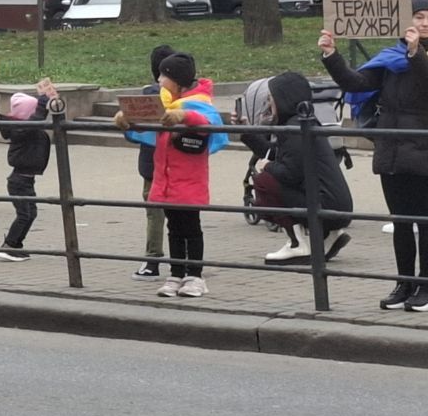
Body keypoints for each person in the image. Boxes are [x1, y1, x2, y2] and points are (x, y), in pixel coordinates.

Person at [319, 0, 428, 310]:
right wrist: (332, 55)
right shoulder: (393, 58)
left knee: (425, 222)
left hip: (423, 152)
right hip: (392, 152)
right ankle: (404, 284)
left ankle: (425, 286)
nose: (422, 23)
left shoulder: (415, 56)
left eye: (427, 17)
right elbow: (358, 82)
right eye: (417, 16)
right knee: (402, 222)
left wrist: (416, 53)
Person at [113, 52, 227, 299]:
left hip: (189, 182)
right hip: (165, 181)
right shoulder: (164, 103)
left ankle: (195, 276)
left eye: (165, 75)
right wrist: (128, 120)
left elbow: (208, 120)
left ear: (178, 80)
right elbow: (147, 126)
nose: (160, 79)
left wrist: (184, 116)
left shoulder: (198, 102)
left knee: (192, 229)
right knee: (174, 229)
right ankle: (176, 274)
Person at [241, 71, 353, 265]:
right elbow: (279, 155)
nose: (269, 103)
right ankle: (328, 234)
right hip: (336, 204)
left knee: (264, 181)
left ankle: (296, 243)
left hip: (326, 204)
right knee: (271, 175)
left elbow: (289, 174)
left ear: (283, 99)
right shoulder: (304, 123)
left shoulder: (295, 130)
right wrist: (247, 132)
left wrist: (267, 166)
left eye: (271, 98)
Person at [118, 44, 174, 280]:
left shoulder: (149, 95)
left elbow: (136, 130)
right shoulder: (184, 97)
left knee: (155, 213)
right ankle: (189, 261)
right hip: (179, 163)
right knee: (184, 214)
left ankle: (153, 261)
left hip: (152, 165)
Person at [0, 91, 50, 261]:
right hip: (19, 181)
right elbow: (35, 121)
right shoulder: (22, 130)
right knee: (24, 214)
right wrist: (42, 104)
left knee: (31, 213)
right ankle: (9, 245)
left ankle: (16, 245)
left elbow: (39, 121)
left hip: (25, 179)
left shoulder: (26, 129)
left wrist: (51, 104)